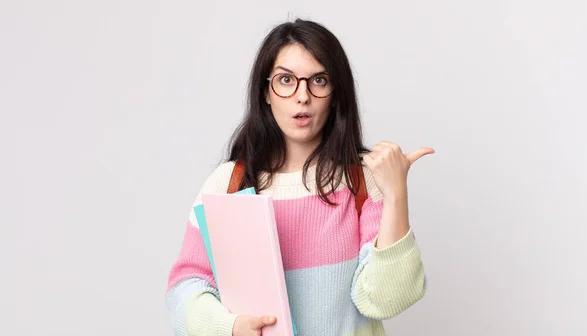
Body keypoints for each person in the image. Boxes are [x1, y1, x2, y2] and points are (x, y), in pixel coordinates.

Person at [165, 18, 435, 336]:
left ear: (335, 93)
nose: (302, 96)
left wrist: (396, 194)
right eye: (286, 80)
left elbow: (386, 300)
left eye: (318, 80)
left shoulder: (363, 179)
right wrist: (229, 326)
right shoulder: (228, 184)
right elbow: (184, 287)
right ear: (266, 92)